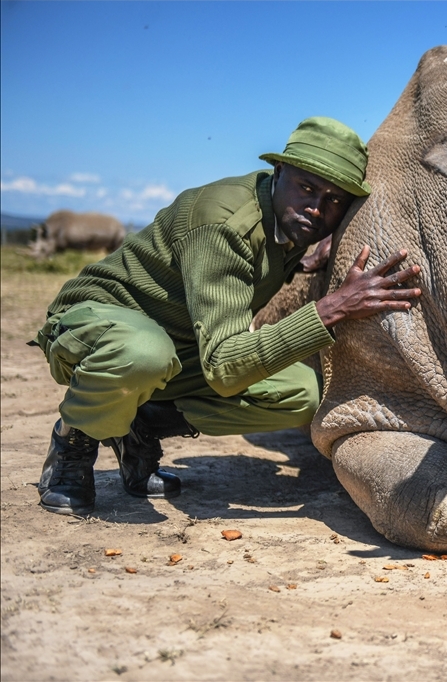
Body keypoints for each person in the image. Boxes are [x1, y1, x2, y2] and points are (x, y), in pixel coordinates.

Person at [33, 117, 421, 515]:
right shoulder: (223, 225)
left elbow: (244, 270)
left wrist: (301, 263)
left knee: (303, 392)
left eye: (334, 200)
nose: (317, 208)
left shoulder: (284, 223)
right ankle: (72, 444)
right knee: (144, 353)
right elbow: (223, 365)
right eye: (307, 188)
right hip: (93, 329)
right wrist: (331, 307)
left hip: (176, 347)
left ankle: (140, 423)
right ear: (279, 171)